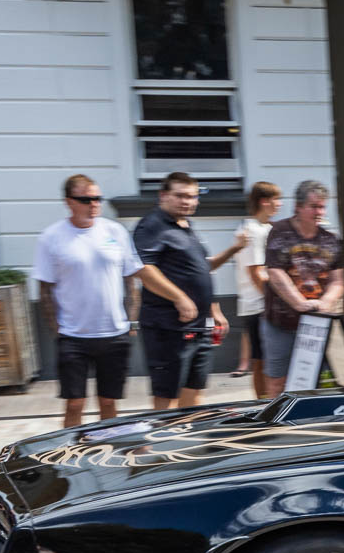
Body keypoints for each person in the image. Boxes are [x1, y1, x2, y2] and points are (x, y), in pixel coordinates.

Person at [36, 174, 184, 427]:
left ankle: (107, 450)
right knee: (75, 403)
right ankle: (70, 453)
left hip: (114, 333)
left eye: (97, 198)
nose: (93, 204)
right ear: (69, 202)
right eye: (86, 199)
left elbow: (130, 278)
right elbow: (45, 288)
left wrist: (132, 321)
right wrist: (57, 331)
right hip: (74, 335)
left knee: (108, 401)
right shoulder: (52, 237)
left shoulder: (114, 231)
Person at [132, 172, 230, 411]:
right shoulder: (152, 225)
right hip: (170, 327)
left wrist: (214, 309)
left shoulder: (187, 227)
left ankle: (188, 441)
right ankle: (161, 443)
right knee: (168, 396)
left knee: (195, 390)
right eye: (180, 196)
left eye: (192, 196)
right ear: (163, 196)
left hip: (202, 326)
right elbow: (143, 268)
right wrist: (179, 297)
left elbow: (201, 271)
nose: (187, 202)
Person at [261, 180, 344, 398]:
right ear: (298, 206)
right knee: (277, 382)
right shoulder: (280, 231)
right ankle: (274, 427)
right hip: (281, 322)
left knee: (312, 382)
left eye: (323, 206)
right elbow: (275, 273)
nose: (320, 211)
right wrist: (300, 304)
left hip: (316, 326)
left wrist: (324, 304)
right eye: (314, 206)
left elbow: (338, 280)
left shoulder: (330, 239)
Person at [224, 181, 280, 388]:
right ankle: (262, 404)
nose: (280, 204)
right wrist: (274, 302)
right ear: (264, 202)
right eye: (277, 199)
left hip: (264, 305)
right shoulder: (252, 230)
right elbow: (256, 272)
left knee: (270, 359)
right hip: (259, 305)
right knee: (261, 361)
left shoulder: (266, 228)